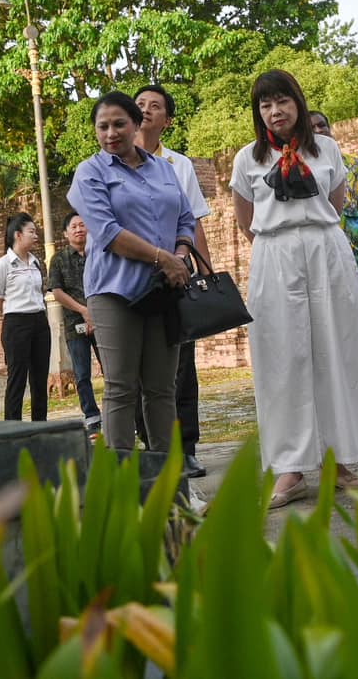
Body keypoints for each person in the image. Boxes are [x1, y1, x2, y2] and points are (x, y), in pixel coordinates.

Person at [232, 71, 358, 508]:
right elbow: (245, 221)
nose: (275, 111)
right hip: (274, 256)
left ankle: (337, 459)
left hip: (326, 252)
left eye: (282, 101)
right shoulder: (249, 158)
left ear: (298, 103)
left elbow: (338, 204)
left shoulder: (328, 151)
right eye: (265, 105)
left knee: (334, 352)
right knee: (282, 359)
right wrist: (281, 245)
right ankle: (290, 467)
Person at [66, 92, 198, 454]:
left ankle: (172, 488)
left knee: (162, 388)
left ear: (136, 125)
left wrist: (180, 255)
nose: (111, 133)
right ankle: (123, 487)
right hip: (114, 292)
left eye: (119, 124)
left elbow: (185, 220)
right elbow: (107, 233)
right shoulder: (89, 172)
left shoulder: (164, 169)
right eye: (102, 126)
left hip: (162, 291)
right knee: (122, 388)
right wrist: (163, 258)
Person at [135, 84, 211, 477]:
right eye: (140, 104)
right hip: (131, 275)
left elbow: (194, 219)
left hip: (177, 273)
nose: (146, 110)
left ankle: (187, 447)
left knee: (182, 365)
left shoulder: (179, 165)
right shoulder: (109, 160)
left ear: (167, 119)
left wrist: (205, 270)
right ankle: (152, 450)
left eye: (156, 106)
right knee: (136, 366)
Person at [310, 111, 358, 326]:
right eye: (311, 128)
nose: (319, 131)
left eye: (322, 125)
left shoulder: (355, 166)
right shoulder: (298, 170)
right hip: (321, 270)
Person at [0, 213, 50, 421]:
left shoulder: (35, 263)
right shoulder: (3, 265)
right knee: (17, 379)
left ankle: (40, 426)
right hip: (16, 323)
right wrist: (14, 313)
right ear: (17, 235)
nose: (35, 236)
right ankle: (13, 428)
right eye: (31, 232)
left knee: (39, 379)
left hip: (40, 322)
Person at [47, 215, 102, 431]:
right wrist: (83, 311)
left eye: (82, 225)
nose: (79, 229)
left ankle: (117, 411)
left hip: (102, 319)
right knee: (82, 374)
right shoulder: (59, 260)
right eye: (73, 226)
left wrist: (94, 312)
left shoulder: (97, 254)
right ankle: (91, 415)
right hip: (74, 323)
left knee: (113, 369)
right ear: (65, 233)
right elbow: (57, 292)